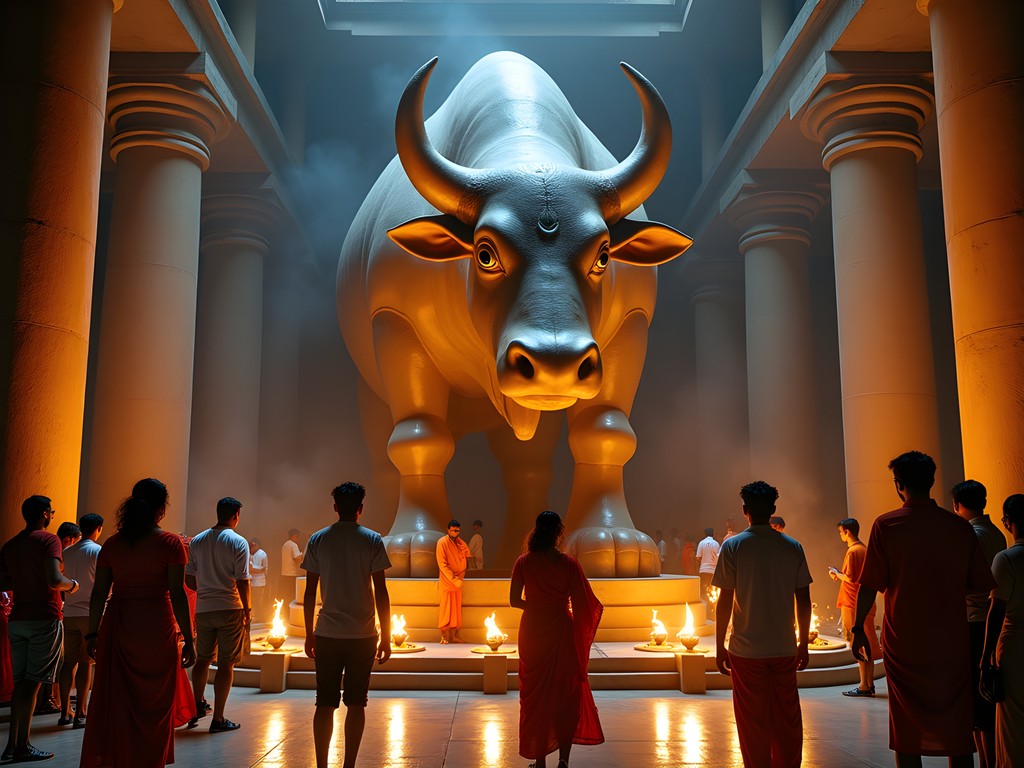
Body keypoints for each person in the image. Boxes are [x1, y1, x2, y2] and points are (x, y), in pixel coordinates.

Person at [851, 451, 995, 768]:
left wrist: (858, 628)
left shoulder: (887, 525)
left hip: (904, 642)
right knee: (957, 722)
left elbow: (870, 584)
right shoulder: (958, 528)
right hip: (951, 642)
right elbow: (981, 584)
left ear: (898, 484)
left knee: (907, 725)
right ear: (931, 481)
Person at [79, 478, 196, 768]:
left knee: (120, 700)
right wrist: (189, 638)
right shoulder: (170, 543)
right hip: (156, 627)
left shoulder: (112, 544)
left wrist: (92, 634)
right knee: (157, 703)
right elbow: (177, 594)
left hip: (119, 625)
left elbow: (99, 593)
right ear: (162, 508)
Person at [713, 481, 812, 768]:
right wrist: (802, 644)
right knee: (787, 719)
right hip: (783, 647)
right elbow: (803, 600)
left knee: (752, 722)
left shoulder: (733, 546)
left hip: (746, 650)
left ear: (745, 510)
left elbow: (724, 601)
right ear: (773, 509)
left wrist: (720, 646)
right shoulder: (792, 547)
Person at [302, 482, 391, 768]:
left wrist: (309, 634)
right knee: (356, 702)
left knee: (324, 703)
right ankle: (349, 765)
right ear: (360, 508)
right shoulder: (372, 540)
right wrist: (386, 636)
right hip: (362, 634)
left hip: (327, 632)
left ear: (335, 507)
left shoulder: (318, 539)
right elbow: (381, 591)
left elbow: (309, 592)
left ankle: (321, 765)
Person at [510, 511, 604, 768]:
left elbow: (514, 601)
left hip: (533, 631)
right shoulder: (569, 564)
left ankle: (540, 760)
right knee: (565, 697)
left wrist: (537, 606)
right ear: (559, 532)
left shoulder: (523, 562)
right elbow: (586, 604)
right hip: (562, 631)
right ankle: (563, 760)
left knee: (535, 698)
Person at [0, 495, 79, 763]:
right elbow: (55, 580)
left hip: (18, 619)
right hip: (44, 617)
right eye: (51, 512)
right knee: (31, 685)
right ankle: (22, 745)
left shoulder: (11, 545)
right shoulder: (49, 540)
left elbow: (3, 581)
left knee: (21, 684)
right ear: (45, 514)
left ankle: (12, 745)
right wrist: (73, 585)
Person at [951, 479, 1006, 768]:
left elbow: (967, 581)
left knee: (978, 697)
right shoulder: (996, 533)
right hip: (991, 620)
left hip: (975, 620)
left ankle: (987, 762)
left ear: (956, 505)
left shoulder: (971, 535)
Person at [186, 497, 251, 733]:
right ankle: (219, 719)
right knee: (226, 663)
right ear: (236, 515)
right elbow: (242, 580)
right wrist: (248, 611)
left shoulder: (197, 541)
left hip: (204, 609)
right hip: (230, 608)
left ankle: (198, 705)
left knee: (202, 659)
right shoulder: (238, 541)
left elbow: (189, 579)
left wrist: (206, 589)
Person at [981, 493, 1024, 767]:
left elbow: (996, 611)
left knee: (1012, 722)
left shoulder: (1007, 559)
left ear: (1007, 521)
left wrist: (985, 659)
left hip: (1015, 645)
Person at [57, 513, 104, 728]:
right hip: (89, 614)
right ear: (98, 529)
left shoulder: (66, 552)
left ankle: (64, 711)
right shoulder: (98, 551)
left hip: (69, 613)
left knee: (68, 663)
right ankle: (81, 713)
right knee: (86, 663)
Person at [828, 517, 882, 697]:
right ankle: (868, 683)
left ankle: (864, 685)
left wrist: (836, 573)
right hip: (865, 602)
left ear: (847, 532)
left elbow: (851, 578)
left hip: (854, 603)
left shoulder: (853, 551)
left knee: (859, 644)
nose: (840, 535)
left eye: (841, 532)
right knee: (867, 644)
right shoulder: (864, 549)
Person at [436, 520, 471, 644]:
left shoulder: (461, 543)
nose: (455, 533)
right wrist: (453, 579)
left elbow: (466, 559)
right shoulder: (442, 542)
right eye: (453, 530)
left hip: (458, 580)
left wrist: (460, 577)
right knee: (446, 609)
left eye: (457, 531)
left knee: (456, 610)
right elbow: (442, 564)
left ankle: (453, 636)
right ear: (448, 530)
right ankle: (444, 636)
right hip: (448, 581)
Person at [695, 528, 720, 602]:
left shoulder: (701, 543)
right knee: (713, 591)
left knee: (704, 591)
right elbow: (719, 557)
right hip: (713, 571)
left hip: (703, 570)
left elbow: (698, 557)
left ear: (705, 534)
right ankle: (711, 606)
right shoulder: (716, 543)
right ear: (713, 534)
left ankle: (704, 605)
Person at [280, 528, 303, 607]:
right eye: (297, 537)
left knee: (286, 596)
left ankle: (285, 612)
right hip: (292, 575)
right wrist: (302, 555)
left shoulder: (285, 545)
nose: (298, 539)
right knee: (292, 597)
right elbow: (297, 558)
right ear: (293, 536)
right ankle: (290, 612)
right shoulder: (293, 545)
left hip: (284, 574)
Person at [248, 538, 268, 624]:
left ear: (256, 545)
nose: (251, 549)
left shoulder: (262, 554)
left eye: (252, 547)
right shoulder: (250, 555)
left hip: (259, 582)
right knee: (254, 601)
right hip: (252, 582)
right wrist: (259, 570)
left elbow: (265, 569)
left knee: (258, 601)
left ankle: (259, 617)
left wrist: (255, 570)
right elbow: (250, 569)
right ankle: (255, 617)